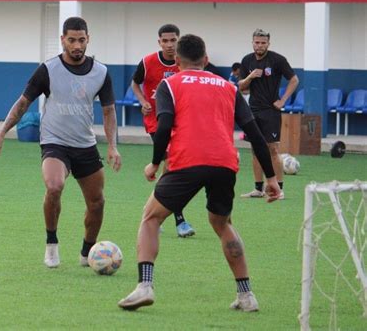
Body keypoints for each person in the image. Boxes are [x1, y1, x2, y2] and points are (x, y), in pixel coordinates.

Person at [118, 34, 281, 311]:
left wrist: (155, 163)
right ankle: (246, 295)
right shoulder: (229, 88)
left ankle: (144, 286)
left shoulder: (170, 83)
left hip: (187, 161)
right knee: (222, 224)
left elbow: (165, 123)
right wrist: (271, 178)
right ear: (205, 60)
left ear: (177, 61)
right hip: (224, 164)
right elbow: (255, 134)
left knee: (150, 218)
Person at [0, 16, 121, 269]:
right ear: (62, 40)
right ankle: (51, 244)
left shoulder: (101, 73)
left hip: (85, 145)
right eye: (71, 40)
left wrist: (112, 146)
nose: (77, 45)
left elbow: (109, 111)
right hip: (54, 142)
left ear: (88, 39)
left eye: (81, 40)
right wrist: (1, 132)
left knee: (97, 202)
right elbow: (23, 103)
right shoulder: (48, 70)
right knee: (55, 186)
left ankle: (87, 252)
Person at [131, 24, 196, 238]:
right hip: (156, 121)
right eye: (165, 41)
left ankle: (151, 210)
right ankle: (180, 220)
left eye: (173, 40)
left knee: (171, 170)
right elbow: (135, 82)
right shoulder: (148, 62)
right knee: (171, 165)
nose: (169, 44)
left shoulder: (184, 63)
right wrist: (142, 100)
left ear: (179, 40)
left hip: (179, 121)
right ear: (159, 41)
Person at [238, 28, 299, 200]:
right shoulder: (247, 60)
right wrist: (250, 77)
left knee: (273, 149)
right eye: (257, 42)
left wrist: (283, 100)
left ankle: (278, 189)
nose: (260, 45)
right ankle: (258, 189)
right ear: (252, 42)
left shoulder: (277, 60)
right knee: (255, 149)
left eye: (263, 43)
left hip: (270, 111)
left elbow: (294, 80)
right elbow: (241, 87)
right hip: (252, 110)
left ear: (268, 44)